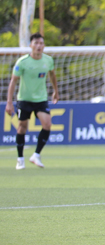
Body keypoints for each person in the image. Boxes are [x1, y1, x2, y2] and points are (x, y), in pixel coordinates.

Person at [5, 33, 59, 170]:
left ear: (44, 45)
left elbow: (52, 75)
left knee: (47, 124)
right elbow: (13, 82)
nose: (39, 46)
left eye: (41, 43)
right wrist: (9, 102)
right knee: (22, 127)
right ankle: (20, 159)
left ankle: (36, 155)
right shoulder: (22, 62)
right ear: (31, 45)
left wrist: (56, 91)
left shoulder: (48, 60)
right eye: (36, 43)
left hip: (41, 99)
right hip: (24, 99)